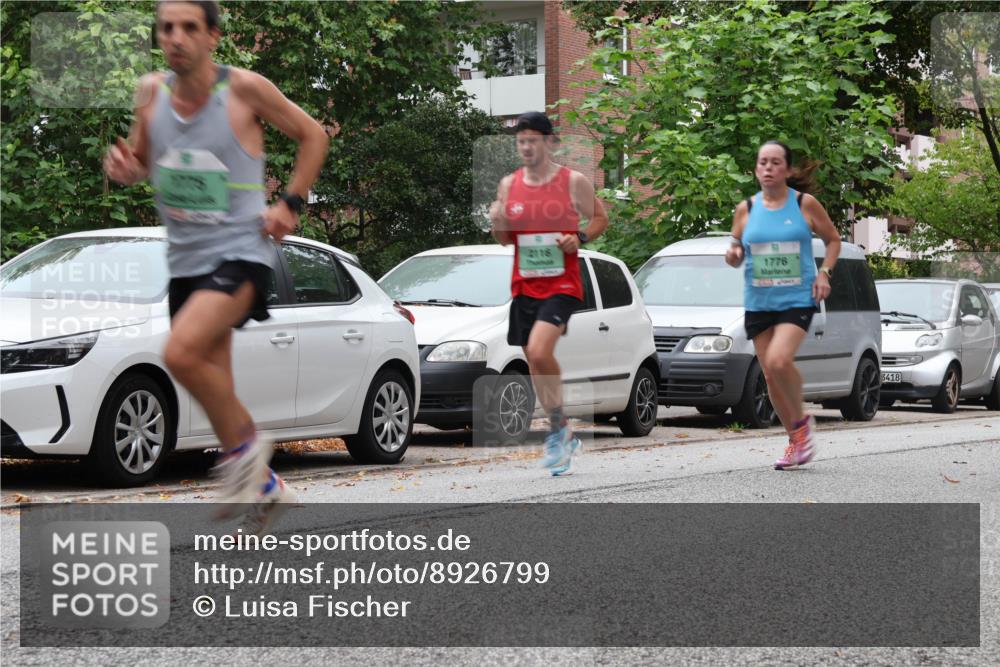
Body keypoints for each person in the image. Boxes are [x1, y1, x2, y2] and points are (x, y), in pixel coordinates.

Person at [103, 0, 328, 530]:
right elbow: (140, 161)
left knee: (179, 353)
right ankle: (265, 490)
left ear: (212, 37)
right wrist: (125, 169)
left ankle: (250, 467)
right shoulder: (150, 94)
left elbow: (313, 135)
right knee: (216, 386)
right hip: (185, 262)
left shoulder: (244, 89)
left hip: (242, 254)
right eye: (166, 28)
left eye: (188, 27)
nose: (176, 37)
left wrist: (290, 203)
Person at [488, 112, 609, 475]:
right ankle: (560, 430)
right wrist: (498, 223)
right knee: (535, 362)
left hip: (563, 283)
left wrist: (579, 237)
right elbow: (506, 239)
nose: (525, 146)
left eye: (532, 140)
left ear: (549, 142)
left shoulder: (573, 182)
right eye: (520, 140)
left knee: (541, 350)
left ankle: (560, 429)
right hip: (525, 285)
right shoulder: (509, 185)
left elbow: (600, 218)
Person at [725, 140, 840, 470]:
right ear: (756, 169)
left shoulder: (805, 204)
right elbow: (734, 250)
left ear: (788, 170)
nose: (768, 168)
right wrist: (732, 255)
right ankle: (796, 440)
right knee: (771, 377)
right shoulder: (745, 209)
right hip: (759, 301)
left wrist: (824, 273)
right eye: (763, 162)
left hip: (797, 298)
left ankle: (802, 421)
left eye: (776, 163)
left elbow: (833, 240)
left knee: (778, 360)